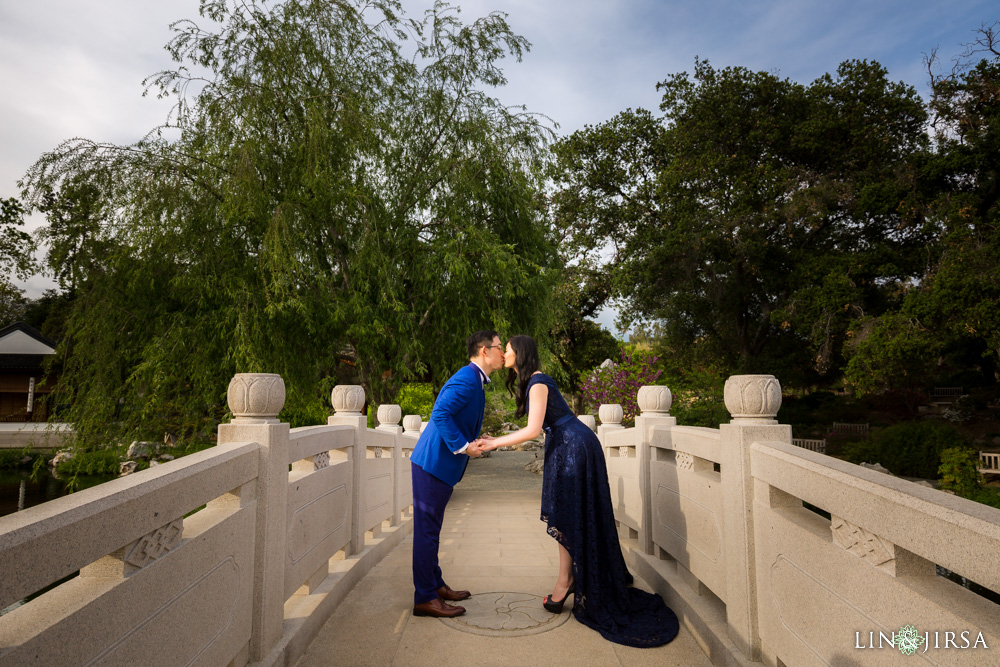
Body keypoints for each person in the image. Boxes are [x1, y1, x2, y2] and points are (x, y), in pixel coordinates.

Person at [473, 335, 679, 647]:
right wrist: (494, 436)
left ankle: (565, 581)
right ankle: (565, 580)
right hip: (566, 445)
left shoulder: (538, 381)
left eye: (510, 350)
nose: (505, 354)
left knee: (567, 512)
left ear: (522, 353)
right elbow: (538, 425)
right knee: (567, 513)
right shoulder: (531, 382)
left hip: (574, 447)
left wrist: (491, 444)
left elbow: (531, 430)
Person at [409, 330, 506, 618]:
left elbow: (454, 416)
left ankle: (435, 585)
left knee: (432, 531)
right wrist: (464, 446)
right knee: (427, 533)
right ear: (484, 351)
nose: (503, 353)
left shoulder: (475, 379)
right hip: (432, 465)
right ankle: (424, 597)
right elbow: (440, 414)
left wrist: (475, 437)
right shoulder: (467, 377)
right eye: (500, 348)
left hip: (439, 466)